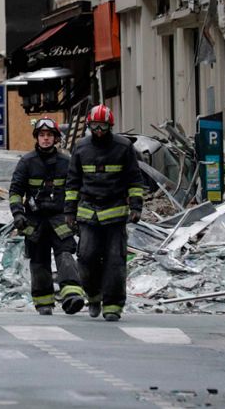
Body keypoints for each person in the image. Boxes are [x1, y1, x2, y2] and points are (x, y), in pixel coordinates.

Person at [65, 105, 146, 321]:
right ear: (89, 126)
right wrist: (69, 213)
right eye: (94, 126)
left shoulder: (123, 147)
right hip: (88, 214)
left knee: (115, 262)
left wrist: (136, 207)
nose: (99, 130)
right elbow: (72, 183)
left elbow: (134, 179)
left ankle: (112, 305)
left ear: (110, 126)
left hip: (115, 215)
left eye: (103, 126)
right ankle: (93, 296)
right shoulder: (81, 148)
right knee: (87, 257)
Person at [10, 117, 85, 315]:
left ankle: (72, 295)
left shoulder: (66, 162)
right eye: (42, 135)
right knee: (38, 260)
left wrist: (75, 215)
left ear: (55, 138)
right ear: (37, 137)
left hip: (60, 218)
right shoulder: (27, 162)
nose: (45, 139)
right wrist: (18, 214)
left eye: (49, 135)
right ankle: (44, 303)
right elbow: (16, 191)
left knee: (66, 255)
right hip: (34, 221)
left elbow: (76, 189)